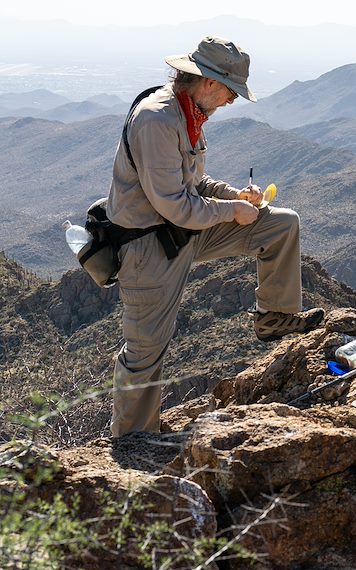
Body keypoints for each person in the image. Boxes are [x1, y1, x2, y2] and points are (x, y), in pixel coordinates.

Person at [107, 36, 325, 437]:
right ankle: (133, 444)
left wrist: (235, 197)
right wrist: (232, 211)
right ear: (209, 82)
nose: (232, 101)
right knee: (145, 353)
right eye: (231, 92)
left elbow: (195, 182)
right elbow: (173, 203)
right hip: (148, 248)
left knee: (280, 223)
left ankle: (274, 318)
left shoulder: (188, 113)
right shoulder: (157, 119)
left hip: (186, 232)